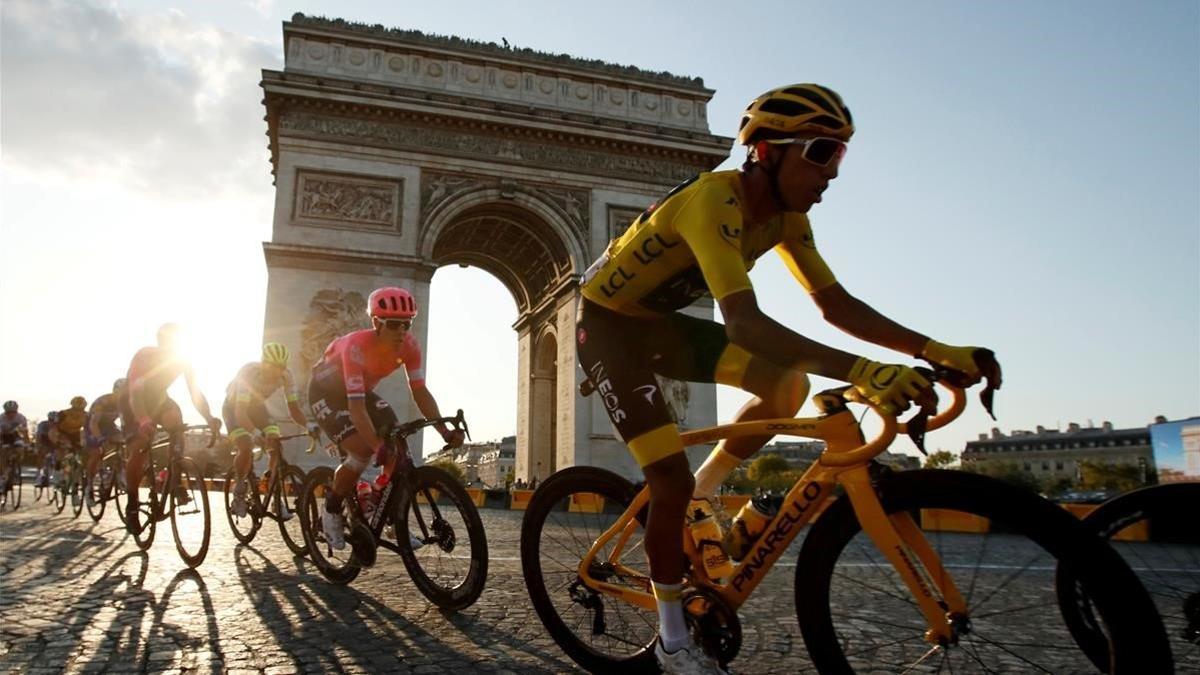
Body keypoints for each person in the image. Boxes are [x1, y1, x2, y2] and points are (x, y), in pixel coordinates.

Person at [575, 83, 1001, 674]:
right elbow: (746, 325)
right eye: (821, 152)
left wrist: (936, 348)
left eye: (841, 155)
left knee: (786, 388)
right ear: (767, 152)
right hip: (609, 327)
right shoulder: (712, 200)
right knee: (665, 480)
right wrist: (865, 370)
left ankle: (708, 487)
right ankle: (672, 641)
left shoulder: (787, 218)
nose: (832, 171)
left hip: (664, 327)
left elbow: (836, 305)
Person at [308, 287, 463, 550]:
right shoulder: (355, 346)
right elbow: (356, 408)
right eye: (394, 324)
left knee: (396, 441)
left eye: (407, 323)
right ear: (376, 322)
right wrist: (375, 446)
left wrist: (444, 431)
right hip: (326, 393)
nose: (402, 331)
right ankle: (332, 509)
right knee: (362, 449)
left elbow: (420, 392)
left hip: (360, 391)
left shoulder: (410, 346)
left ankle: (386, 513)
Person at [121, 323, 222, 529]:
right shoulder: (145, 356)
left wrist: (209, 416)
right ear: (161, 342)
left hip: (158, 399)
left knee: (176, 422)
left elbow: (195, 392)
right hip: (133, 400)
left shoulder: (183, 359)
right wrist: (143, 420)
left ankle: (174, 477)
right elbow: (136, 394)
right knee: (139, 446)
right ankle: (132, 505)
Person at [224, 342, 320, 518]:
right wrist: (254, 433)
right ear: (263, 362)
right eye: (273, 366)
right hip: (235, 408)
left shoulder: (286, 376)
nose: (276, 371)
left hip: (257, 408)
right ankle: (238, 490)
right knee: (245, 445)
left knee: (275, 442)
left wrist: (308, 425)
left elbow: (294, 409)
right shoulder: (248, 374)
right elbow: (240, 412)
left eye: (281, 367)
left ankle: (273, 493)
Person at [83, 380, 125, 505]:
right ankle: (89, 484)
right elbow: (94, 423)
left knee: (125, 442)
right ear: (115, 391)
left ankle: (118, 470)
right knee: (96, 452)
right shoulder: (103, 402)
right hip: (93, 425)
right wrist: (100, 439)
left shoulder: (126, 402)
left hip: (109, 425)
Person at [0, 401, 30, 491]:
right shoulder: (1, 418)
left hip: (16, 436)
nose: (11, 414)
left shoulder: (21, 418)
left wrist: (27, 444)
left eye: (13, 412)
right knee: (3, 452)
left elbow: (25, 433)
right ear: (5, 412)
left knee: (20, 447)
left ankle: (16, 465)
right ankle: (3, 474)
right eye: (8, 412)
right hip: (3, 436)